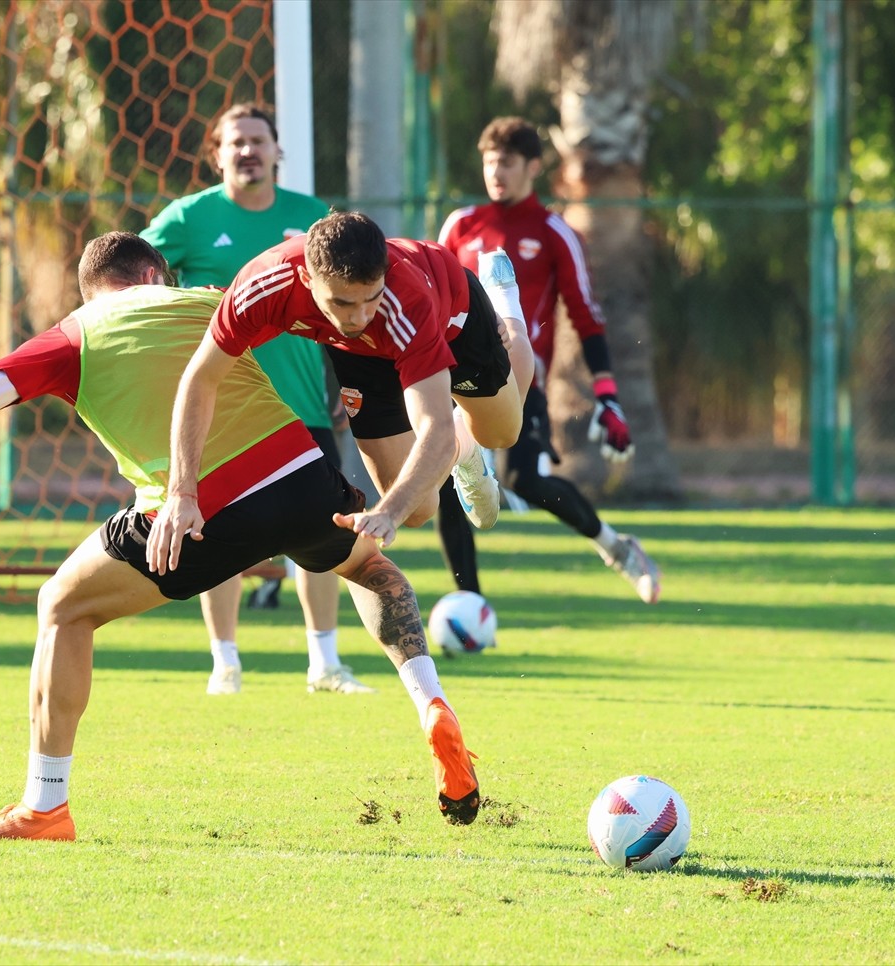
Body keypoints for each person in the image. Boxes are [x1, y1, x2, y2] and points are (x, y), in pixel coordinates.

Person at [0, 232, 482, 837]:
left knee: (63, 606)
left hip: (196, 512)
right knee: (374, 571)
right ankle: (430, 700)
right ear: (153, 277)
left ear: (93, 291)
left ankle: (45, 804)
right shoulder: (211, 299)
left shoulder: (68, 338)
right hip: (301, 476)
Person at [148, 211, 536, 574]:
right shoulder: (264, 285)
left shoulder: (405, 301)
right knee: (418, 510)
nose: (360, 316)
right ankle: (464, 450)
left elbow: (435, 427)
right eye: (342, 302)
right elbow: (201, 379)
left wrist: (386, 513)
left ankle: (505, 302)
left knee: (501, 434)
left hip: (452, 317)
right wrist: (182, 493)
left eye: (371, 297)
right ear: (306, 279)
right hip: (359, 355)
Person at [140, 102, 372, 696]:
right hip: (223, 409)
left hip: (302, 405)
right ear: (216, 154)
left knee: (322, 532)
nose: (248, 151)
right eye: (235, 142)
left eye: (258, 140)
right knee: (216, 533)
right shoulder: (187, 218)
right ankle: (225, 664)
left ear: (276, 151)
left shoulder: (311, 217)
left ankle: (325, 664)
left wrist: (348, 383)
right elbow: (132, 282)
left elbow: (348, 305)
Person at [436, 116, 661, 603]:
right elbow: (433, 299)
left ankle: (617, 547)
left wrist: (607, 394)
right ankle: (472, 607)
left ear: (533, 167)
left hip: (520, 383)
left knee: (523, 480)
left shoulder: (553, 231)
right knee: (447, 483)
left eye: (507, 162)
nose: (496, 172)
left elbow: (586, 315)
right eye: (489, 162)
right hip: (456, 380)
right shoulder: (461, 225)